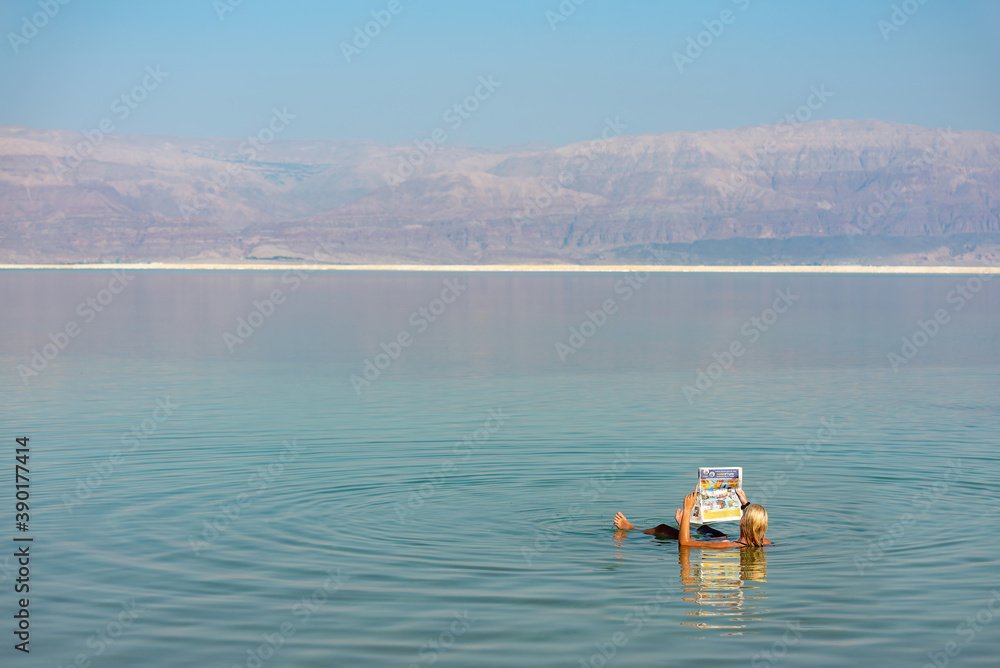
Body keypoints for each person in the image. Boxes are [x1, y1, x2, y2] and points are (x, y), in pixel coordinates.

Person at [613, 488, 771, 548]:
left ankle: (631, 528)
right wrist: (744, 503)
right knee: (705, 528)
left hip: (708, 543)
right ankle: (686, 525)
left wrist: (688, 509)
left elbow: (685, 543)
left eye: (744, 514)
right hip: (724, 538)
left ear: (743, 521)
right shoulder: (764, 542)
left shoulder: (727, 545)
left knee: (662, 528)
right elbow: (753, 524)